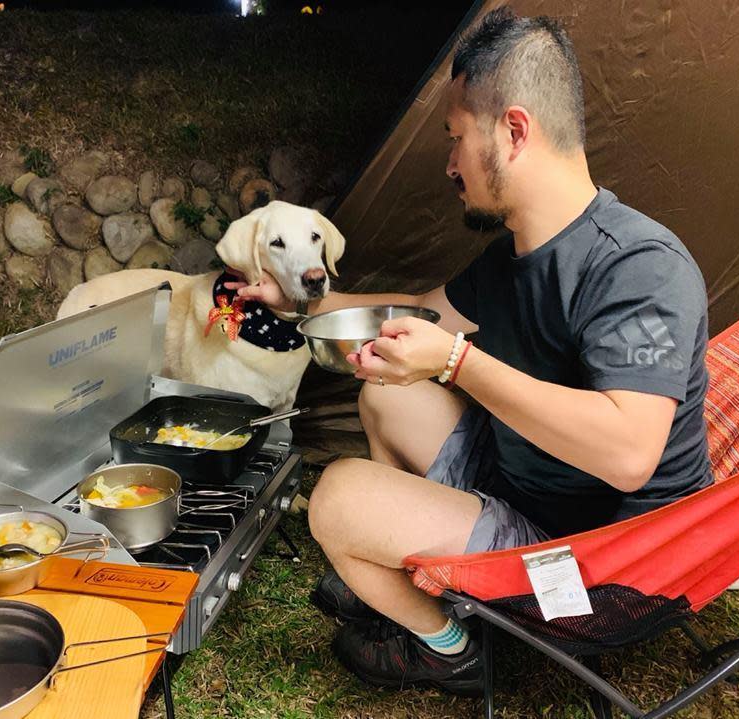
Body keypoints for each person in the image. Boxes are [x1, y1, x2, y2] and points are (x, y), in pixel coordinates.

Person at [227, 6, 713, 695]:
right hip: (532, 490)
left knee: (334, 499)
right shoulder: (515, 256)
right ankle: (430, 581)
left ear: (515, 131)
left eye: (456, 138)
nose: (451, 165)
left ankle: (451, 648)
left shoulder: (637, 266)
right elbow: (414, 314)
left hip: (601, 566)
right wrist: (298, 302)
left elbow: (631, 454)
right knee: (389, 397)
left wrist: (456, 363)